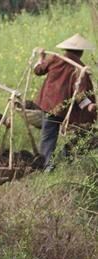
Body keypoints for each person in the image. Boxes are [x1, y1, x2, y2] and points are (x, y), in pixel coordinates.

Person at [34, 34, 97, 170]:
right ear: (80, 52)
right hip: (65, 108)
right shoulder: (79, 69)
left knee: (48, 134)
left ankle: (47, 165)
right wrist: (89, 105)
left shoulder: (54, 59)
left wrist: (41, 57)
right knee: (84, 131)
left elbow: (38, 70)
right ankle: (63, 156)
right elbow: (80, 95)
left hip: (49, 104)